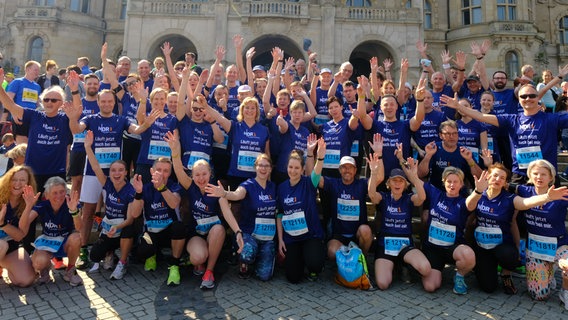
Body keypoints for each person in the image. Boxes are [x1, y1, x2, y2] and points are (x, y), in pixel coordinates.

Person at [440, 66, 568, 182]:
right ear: (519, 99)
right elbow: (481, 116)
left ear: (537, 97)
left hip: (545, 174)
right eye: (524, 96)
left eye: (532, 96)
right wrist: (458, 106)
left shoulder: (552, 119)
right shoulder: (512, 120)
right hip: (520, 174)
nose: (528, 99)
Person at [466, 163, 568, 295]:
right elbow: (469, 207)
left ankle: (507, 274)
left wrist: (548, 197)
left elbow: (525, 203)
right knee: (489, 287)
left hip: (506, 245)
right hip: (482, 245)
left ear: (505, 183)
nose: (497, 179)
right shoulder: (480, 194)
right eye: (495, 176)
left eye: (502, 178)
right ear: (487, 177)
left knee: (509, 255)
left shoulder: (510, 198)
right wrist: (477, 191)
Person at [164, 131, 241, 288]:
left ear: (210, 174)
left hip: (214, 234)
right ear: (192, 176)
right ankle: (198, 262)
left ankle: (209, 271)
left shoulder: (216, 189)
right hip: (196, 234)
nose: (201, 178)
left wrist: (238, 232)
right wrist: (175, 152)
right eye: (197, 175)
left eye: (204, 174)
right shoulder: (190, 186)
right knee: (198, 257)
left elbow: (227, 212)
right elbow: (178, 171)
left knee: (219, 228)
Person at [367, 145, 431, 290]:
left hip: (405, 245)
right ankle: (396, 266)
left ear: (405, 184)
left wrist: (414, 177)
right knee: (383, 284)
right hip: (385, 245)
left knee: (426, 268)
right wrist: (373, 173)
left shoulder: (408, 198)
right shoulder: (384, 197)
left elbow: (422, 197)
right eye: (394, 181)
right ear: (388, 183)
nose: (397, 183)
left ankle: (404, 264)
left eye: (401, 181)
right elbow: (372, 195)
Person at [205, 153, 277, 281]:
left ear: (271, 169)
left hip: (268, 237)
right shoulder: (248, 185)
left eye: (266, 166)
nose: (263, 169)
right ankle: (244, 260)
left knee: (264, 276)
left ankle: (261, 257)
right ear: (255, 167)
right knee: (246, 254)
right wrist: (225, 193)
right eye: (260, 165)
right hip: (249, 234)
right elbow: (237, 194)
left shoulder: (274, 188)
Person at [514, 160, 568, 308]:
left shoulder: (561, 194)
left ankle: (565, 290)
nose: (539, 177)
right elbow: (496, 183)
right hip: (535, 249)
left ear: (551, 177)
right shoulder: (523, 191)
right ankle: (548, 274)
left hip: (558, 245)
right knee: (539, 295)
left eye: (544, 174)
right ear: (530, 175)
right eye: (535, 173)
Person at [83, 131, 136, 280]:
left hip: (122, 228)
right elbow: (95, 166)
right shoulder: (107, 183)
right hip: (108, 228)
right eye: (113, 170)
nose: (116, 173)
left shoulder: (130, 190)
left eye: (120, 170)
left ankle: (123, 262)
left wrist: (117, 228)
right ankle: (109, 253)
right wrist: (88, 147)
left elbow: (131, 219)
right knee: (94, 255)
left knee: (129, 229)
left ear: (126, 172)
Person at [277, 139, 326, 283]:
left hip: (310, 235)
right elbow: (279, 214)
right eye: (291, 167)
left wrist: (320, 157)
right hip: (292, 237)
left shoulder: (309, 183)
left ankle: (312, 262)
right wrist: (280, 240)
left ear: (303, 169)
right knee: (293, 278)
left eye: (297, 168)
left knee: (314, 264)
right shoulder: (281, 188)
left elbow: (317, 172)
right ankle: (300, 260)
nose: (293, 171)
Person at [421, 167, 476, 295]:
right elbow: (416, 181)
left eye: (456, 182)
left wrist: (478, 191)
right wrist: (405, 164)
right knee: (430, 286)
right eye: (449, 181)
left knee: (468, 256)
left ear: (461, 184)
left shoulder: (463, 202)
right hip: (433, 248)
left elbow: (472, 202)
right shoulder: (435, 193)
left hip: (453, 248)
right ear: (444, 182)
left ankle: (460, 276)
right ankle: (436, 270)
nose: (452, 185)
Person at [129, 157, 184, 286]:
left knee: (179, 227)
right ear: (152, 171)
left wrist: (162, 188)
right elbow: (135, 214)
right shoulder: (145, 187)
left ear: (170, 173)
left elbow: (174, 203)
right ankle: (152, 255)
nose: (162, 174)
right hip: (151, 232)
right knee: (143, 250)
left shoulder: (173, 186)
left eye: (166, 171)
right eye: (158, 170)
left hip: (169, 233)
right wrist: (138, 193)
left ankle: (174, 266)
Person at [21, 177, 83, 286]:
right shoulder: (42, 205)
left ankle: (70, 270)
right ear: (47, 195)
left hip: (65, 243)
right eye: (54, 193)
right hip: (48, 242)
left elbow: (79, 227)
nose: (59, 196)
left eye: (62, 192)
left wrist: (74, 211)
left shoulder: (71, 203)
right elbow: (24, 223)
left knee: (77, 238)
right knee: (38, 263)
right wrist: (28, 206)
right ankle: (45, 268)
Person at [203, 96, 270, 190]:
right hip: (236, 175)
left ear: (257, 111)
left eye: (252, 108)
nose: (249, 110)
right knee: (236, 204)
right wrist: (205, 106)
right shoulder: (235, 127)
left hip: (256, 176)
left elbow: (267, 154)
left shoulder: (264, 130)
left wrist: (268, 176)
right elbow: (220, 118)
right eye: (247, 107)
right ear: (242, 110)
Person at [0, 166, 37, 287]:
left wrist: (28, 207)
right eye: (14, 179)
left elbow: (19, 236)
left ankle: (4, 264)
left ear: (28, 183)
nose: (17, 183)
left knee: (26, 280)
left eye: (22, 180)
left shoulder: (28, 200)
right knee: (2, 245)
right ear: (8, 180)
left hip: (11, 244)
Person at [6, 61, 41, 144]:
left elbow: (37, 103)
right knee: (21, 146)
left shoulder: (37, 86)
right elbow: (8, 99)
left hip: (32, 118)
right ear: (28, 69)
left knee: (30, 145)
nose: (37, 72)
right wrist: (13, 114)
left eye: (38, 70)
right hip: (19, 116)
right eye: (35, 70)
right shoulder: (17, 82)